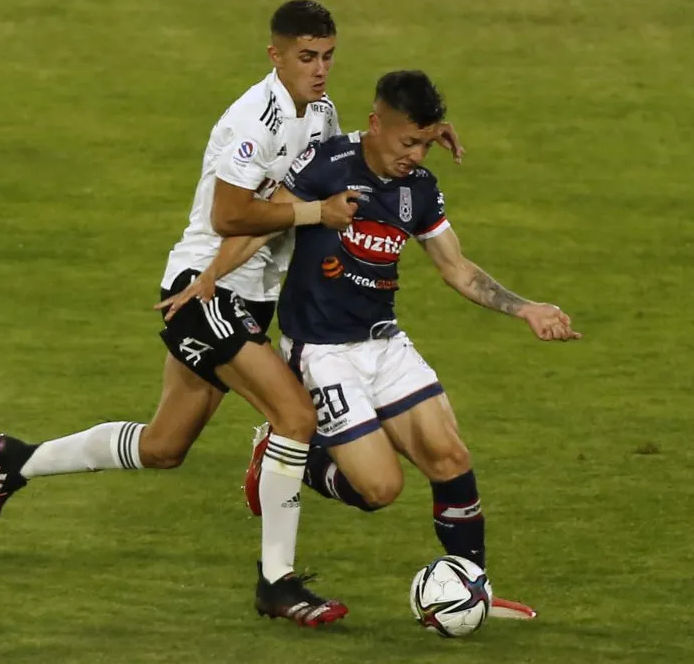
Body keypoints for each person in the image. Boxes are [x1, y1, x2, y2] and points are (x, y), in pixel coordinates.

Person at [0, 0, 361, 628]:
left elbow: (325, 174)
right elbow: (229, 217)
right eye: (306, 57)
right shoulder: (252, 120)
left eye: (327, 57)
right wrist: (314, 216)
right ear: (276, 55)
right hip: (203, 292)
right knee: (293, 414)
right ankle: (277, 584)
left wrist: (411, 139)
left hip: (248, 297)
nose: (319, 70)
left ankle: (18, 459)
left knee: (163, 447)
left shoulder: (319, 114)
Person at [159, 70, 580, 620]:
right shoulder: (328, 165)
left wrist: (526, 308)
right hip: (324, 352)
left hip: (384, 343)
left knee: (450, 456)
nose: (415, 155)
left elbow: (455, 266)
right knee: (380, 489)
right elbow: (261, 226)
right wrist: (211, 274)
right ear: (376, 125)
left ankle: (471, 584)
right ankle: (293, 457)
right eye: (408, 142)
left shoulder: (419, 189)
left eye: (425, 143)